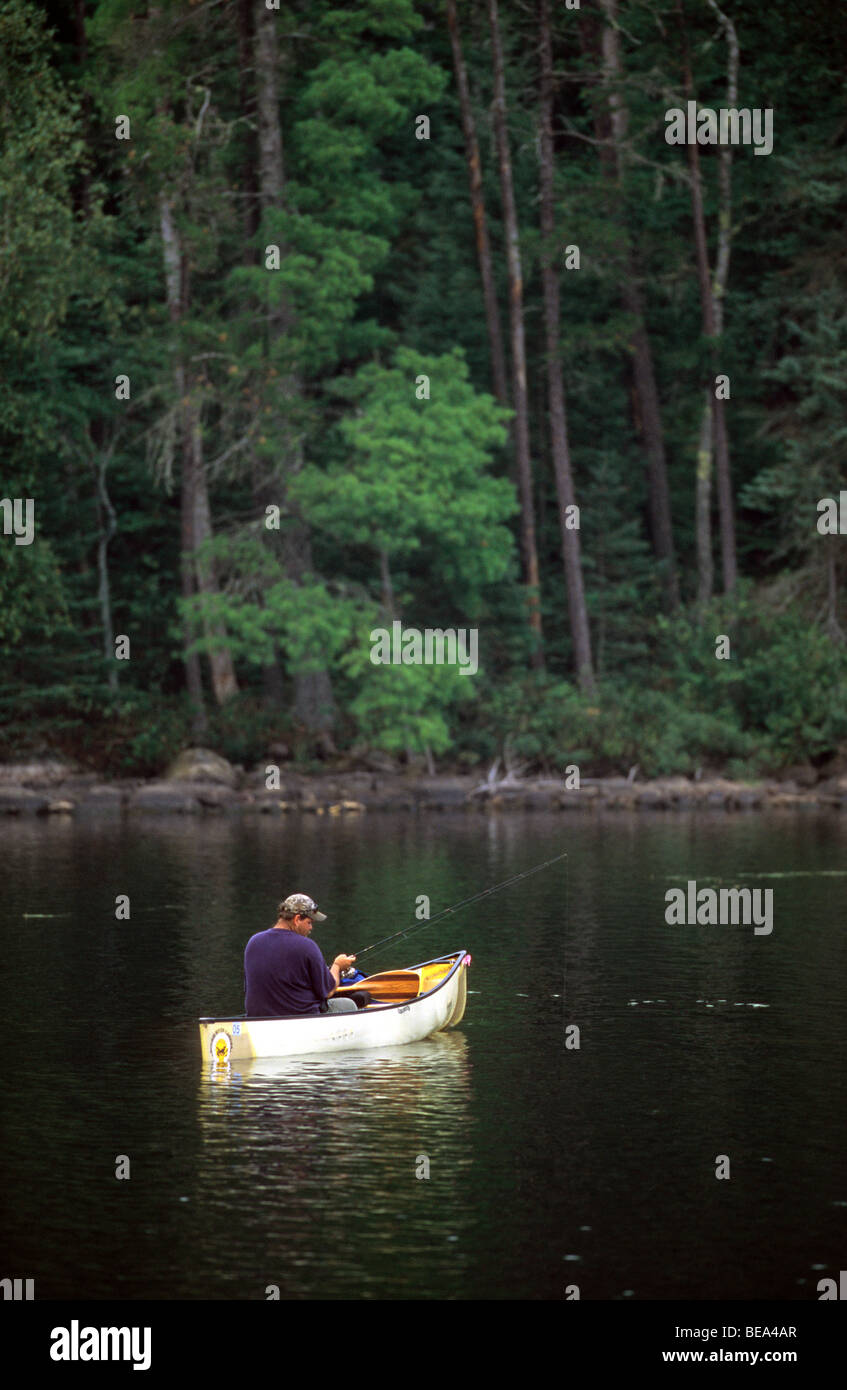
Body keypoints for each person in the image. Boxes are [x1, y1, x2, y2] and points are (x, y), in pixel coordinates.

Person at [243, 893, 359, 1018]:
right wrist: (337, 966)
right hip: (299, 1019)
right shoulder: (307, 946)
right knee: (349, 1004)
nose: (311, 928)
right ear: (297, 919)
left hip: (258, 1019)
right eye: (309, 922)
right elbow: (328, 992)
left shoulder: (253, 942)